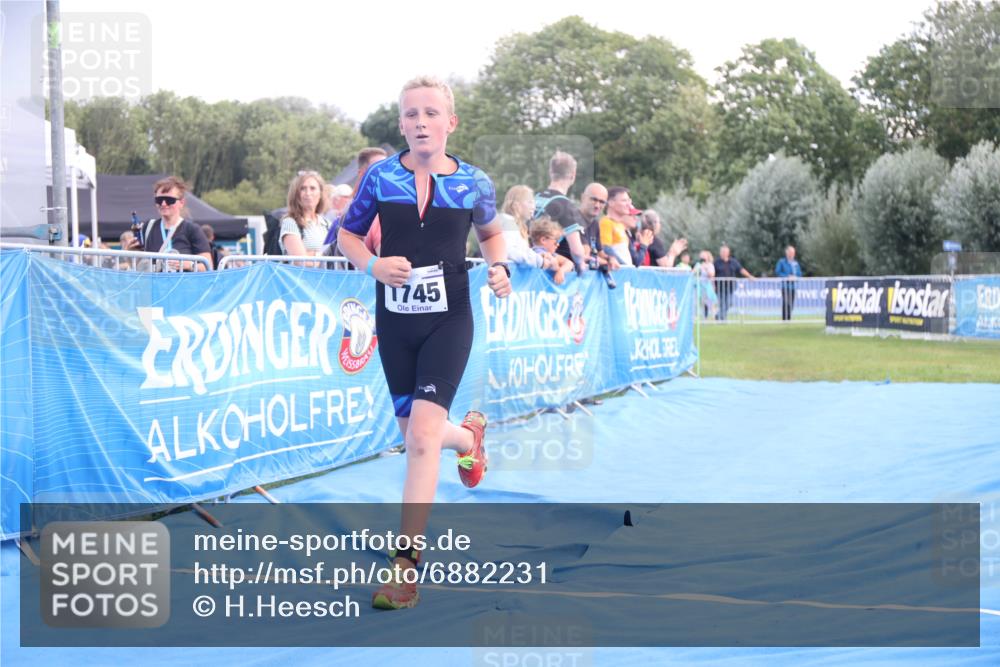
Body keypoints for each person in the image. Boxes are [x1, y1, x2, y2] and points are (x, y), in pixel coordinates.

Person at [336, 75, 511, 611]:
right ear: (401, 125)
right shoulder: (378, 178)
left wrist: (499, 267)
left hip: (449, 320)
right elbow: (346, 234)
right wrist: (372, 264)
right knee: (421, 436)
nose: (420, 123)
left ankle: (405, 567)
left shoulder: (474, 182)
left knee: (417, 443)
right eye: (410, 115)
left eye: (431, 113)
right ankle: (468, 440)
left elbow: (491, 233)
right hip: (396, 324)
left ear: (450, 123)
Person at [126, 175, 212, 271]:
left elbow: (208, 266)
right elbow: (139, 267)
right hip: (155, 285)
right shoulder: (148, 227)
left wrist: (188, 265)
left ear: (181, 202)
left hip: (184, 285)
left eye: (169, 200)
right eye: (159, 200)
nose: (163, 204)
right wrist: (131, 254)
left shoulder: (192, 230)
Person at [534, 151, 589, 271]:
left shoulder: (535, 198)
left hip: (528, 261)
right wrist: (581, 266)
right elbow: (577, 251)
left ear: (550, 172)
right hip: (547, 269)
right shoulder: (566, 205)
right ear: (573, 175)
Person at [279, 171, 330, 266]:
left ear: (321, 193)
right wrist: (325, 256)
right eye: (303, 188)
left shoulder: (327, 224)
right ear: (295, 194)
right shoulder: (290, 223)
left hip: (326, 279)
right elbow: (302, 261)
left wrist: (312, 254)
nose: (308, 193)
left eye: (313, 188)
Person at [496, 185, 547, 269]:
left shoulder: (516, 225)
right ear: (516, 205)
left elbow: (520, 250)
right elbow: (510, 251)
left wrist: (536, 256)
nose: (533, 207)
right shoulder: (507, 221)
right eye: (530, 202)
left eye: (534, 202)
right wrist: (540, 261)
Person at [713, 243, 755, 320]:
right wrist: (713, 285)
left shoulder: (733, 262)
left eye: (725, 252)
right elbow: (713, 274)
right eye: (722, 252)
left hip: (730, 286)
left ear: (728, 253)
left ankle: (719, 315)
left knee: (729, 303)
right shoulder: (716, 262)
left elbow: (741, 270)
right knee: (722, 303)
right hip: (720, 287)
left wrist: (749, 276)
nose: (723, 253)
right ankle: (722, 318)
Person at [529, 216, 573, 285]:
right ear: (543, 240)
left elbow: (569, 263)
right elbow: (553, 262)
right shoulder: (536, 252)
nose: (558, 244)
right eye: (556, 241)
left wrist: (561, 271)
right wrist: (558, 268)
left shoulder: (550, 253)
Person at [599, 187, 635, 267]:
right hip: (618, 272)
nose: (629, 204)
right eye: (624, 200)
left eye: (629, 201)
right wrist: (623, 265)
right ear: (611, 203)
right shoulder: (606, 222)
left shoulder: (620, 225)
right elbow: (605, 248)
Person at [775, 244, 803, 321]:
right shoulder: (781, 262)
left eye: (793, 253)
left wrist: (795, 277)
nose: (792, 254)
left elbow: (800, 274)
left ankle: (789, 319)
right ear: (787, 253)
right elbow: (778, 272)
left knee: (791, 304)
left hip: (793, 287)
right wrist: (787, 277)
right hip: (785, 286)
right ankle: (784, 319)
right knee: (786, 303)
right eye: (791, 252)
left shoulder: (796, 263)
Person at [694, 250, 718, 318]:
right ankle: (698, 316)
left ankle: (714, 315)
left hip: (707, 285)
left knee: (710, 301)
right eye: (701, 255)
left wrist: (705, 268)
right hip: (699, 285)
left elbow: (712, 275)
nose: (702, 257)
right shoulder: (698, 264)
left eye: (703, 255)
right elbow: (693, 273)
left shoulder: (710, 265)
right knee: (698, 301)